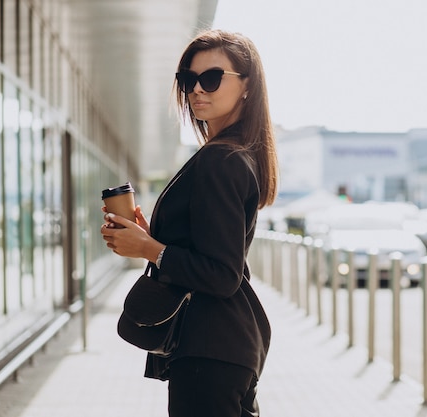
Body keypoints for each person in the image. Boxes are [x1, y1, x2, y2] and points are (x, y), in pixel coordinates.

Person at [100, 29, 279, 417]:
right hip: (222, 347)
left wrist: (151, 249)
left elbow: (221, 274)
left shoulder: (222, 160)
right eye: (188, 79)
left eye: (212, 78)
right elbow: (209, 251)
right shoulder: (228, 155)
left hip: (211, 349)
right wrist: (149, 237)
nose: (197, 89)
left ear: (247, 85)